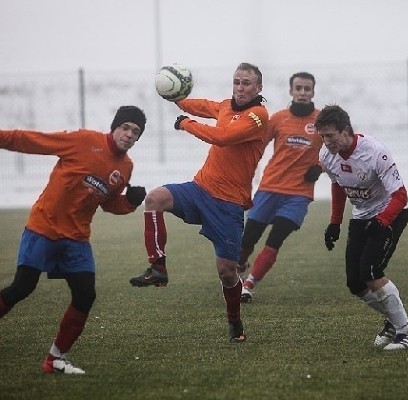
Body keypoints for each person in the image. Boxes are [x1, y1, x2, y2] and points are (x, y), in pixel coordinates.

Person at [0, 106, 147, 374]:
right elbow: (32, 140)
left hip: (77, 238)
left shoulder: (126, 167)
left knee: (85, 295)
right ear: (114, 127)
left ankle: (55, 358)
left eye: (135, 132)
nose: (129, 134)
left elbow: (110, 204)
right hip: (44, 227)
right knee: (21, 288)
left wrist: (130, 201)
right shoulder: (83, 141)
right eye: (125, 127)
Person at [128, 63, 268, 343]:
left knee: (227, 273)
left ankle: (234, 323)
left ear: (258, 88)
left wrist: (185, 123)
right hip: (200, 189)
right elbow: (202, 105)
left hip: (228, 205)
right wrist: (176, 97)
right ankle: (158, 268)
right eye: (236, 82)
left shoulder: (259, 116)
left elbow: (224, 138)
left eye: (246, 83)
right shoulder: (226, 105)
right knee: (154, 199)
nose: (240, 88)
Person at [317, 105, 408, 351]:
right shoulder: (325, 154)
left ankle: (407, 334)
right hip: (362, 216)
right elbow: (338, 185)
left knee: (371, 271)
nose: (325, 141)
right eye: (322, 136)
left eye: (330, 135)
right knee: (355, 283)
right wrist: (335, 222)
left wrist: (382, 222)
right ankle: (394, 322)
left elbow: (400, 195)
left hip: (391, 213)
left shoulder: (375, 153)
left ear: (346, 131)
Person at [237, 72, 322, 303]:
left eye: (307, 89)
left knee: (275, 239)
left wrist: (320, 167)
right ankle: (241, 265)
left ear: (313, 92)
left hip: (298, 194)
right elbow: (258, 147)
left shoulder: (322, 121)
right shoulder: (278, 118)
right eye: (298, 88)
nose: (303, 93)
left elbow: (335, 148)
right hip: (269, 188)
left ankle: (249, 284)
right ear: (291, 91)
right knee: (247, 241)